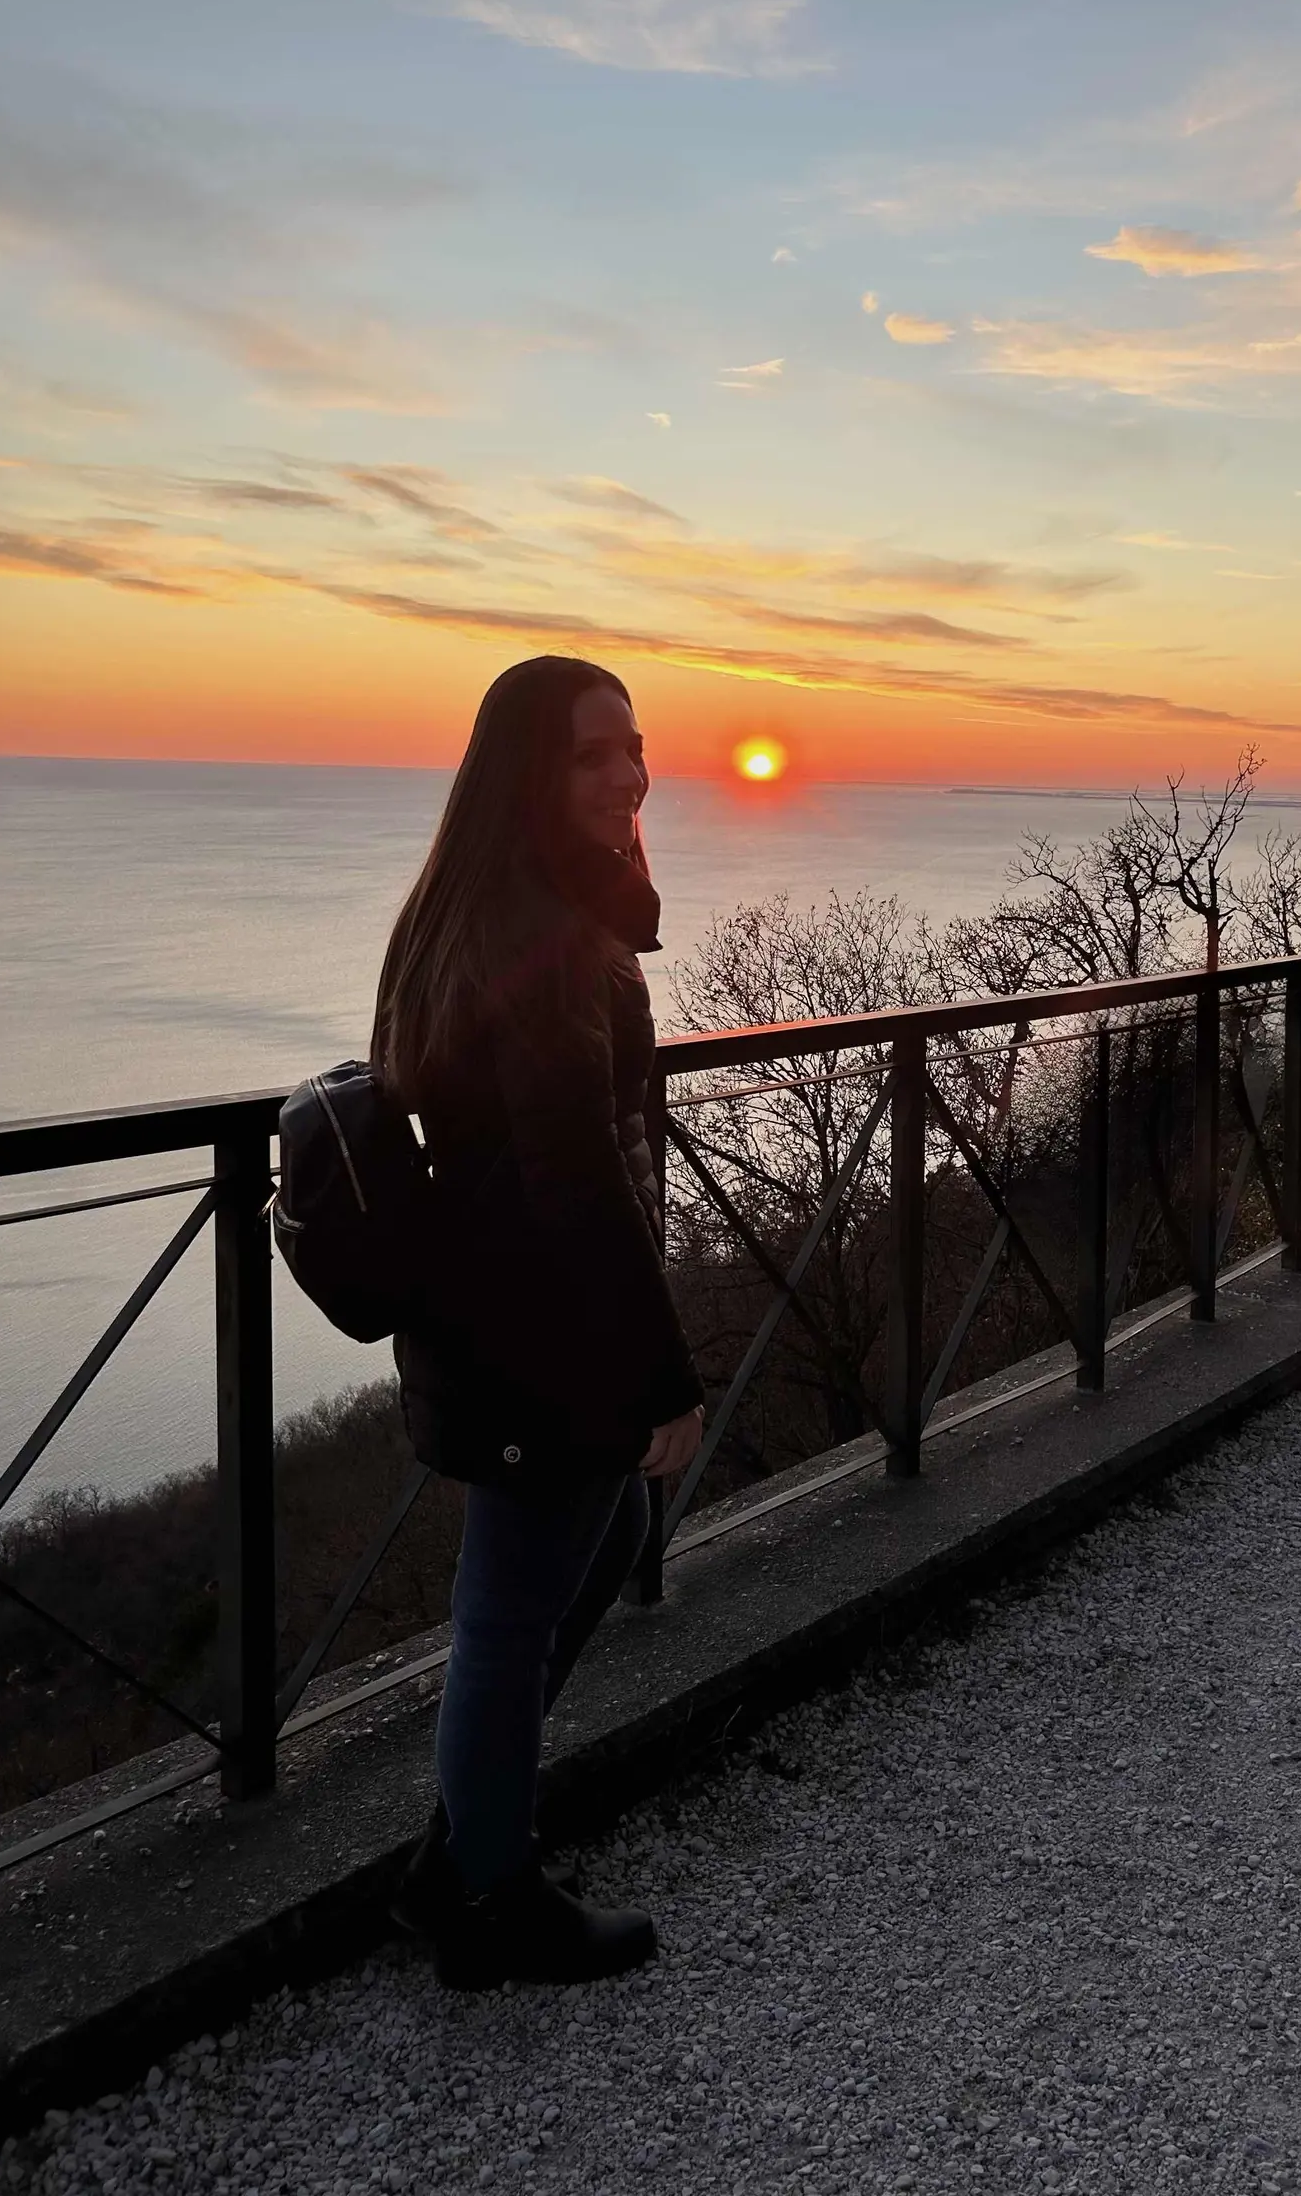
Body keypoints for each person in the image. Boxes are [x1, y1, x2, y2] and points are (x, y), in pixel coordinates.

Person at [371, 654, 705, 1989]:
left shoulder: (495, 907)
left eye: (635, 746)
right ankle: (490, 1901)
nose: (629, 774)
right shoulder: (543, 939)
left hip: (511, 1323)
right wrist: (662, 1377)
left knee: (604, 1538)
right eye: (591, 754)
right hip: (539, 1338)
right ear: (529, 773)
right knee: (507, 1619)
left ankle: (460, 1854)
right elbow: (578, 1179)